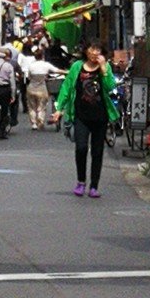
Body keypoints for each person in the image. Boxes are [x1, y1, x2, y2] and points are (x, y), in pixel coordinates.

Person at [52, 41, 117, 197]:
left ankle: (94, 185)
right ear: (86, 51)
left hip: (100, 116)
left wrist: (103, 70)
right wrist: (59, 109)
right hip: (80, 115)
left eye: (98, 50)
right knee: (81, 148)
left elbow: (110, 87)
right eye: (92, 49)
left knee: (97, 151)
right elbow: (67, 87)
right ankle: (81, 181)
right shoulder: (77, 67)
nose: (94, 52)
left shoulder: (105, 67)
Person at [22, 45, 53, 130]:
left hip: (31, 88)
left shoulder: (31, 66)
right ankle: (40, 120)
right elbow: (55, 70)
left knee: (31, 107)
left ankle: (34, 124)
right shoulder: (46, 65)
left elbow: (29, 77)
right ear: (42, 56)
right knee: (42, 106)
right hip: (42, 89)